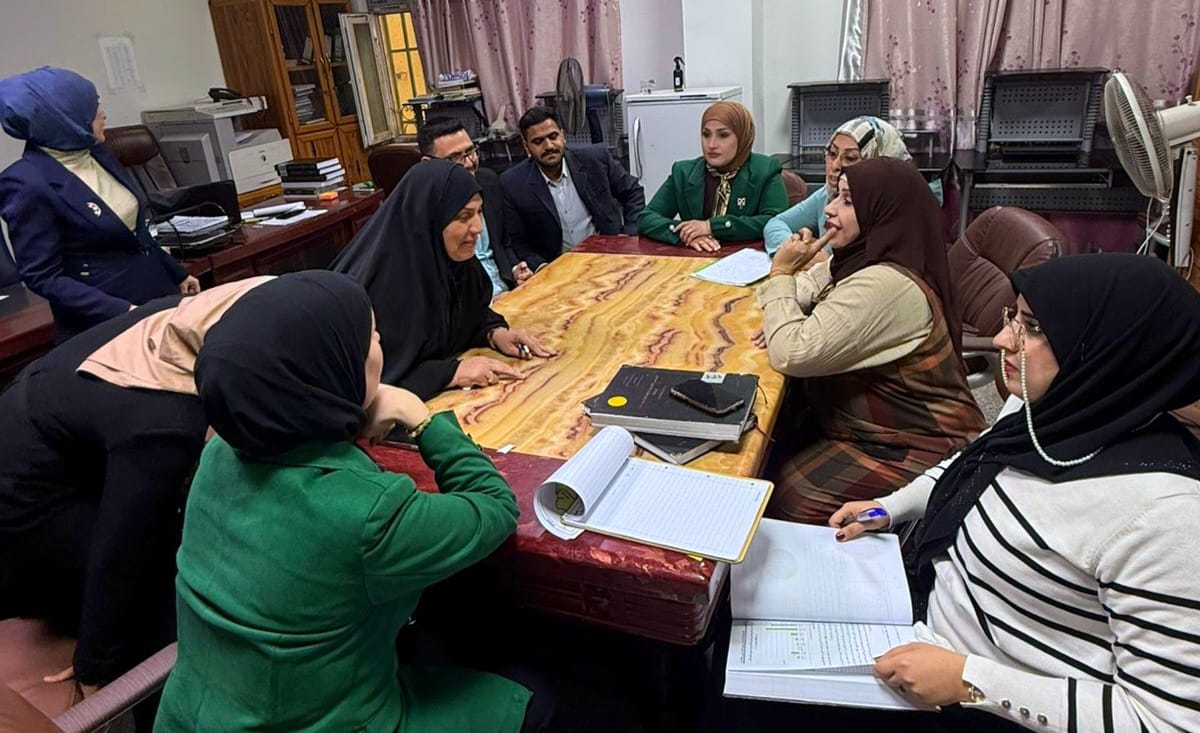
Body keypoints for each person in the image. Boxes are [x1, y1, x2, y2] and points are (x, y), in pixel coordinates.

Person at [154, 271, 548, 733]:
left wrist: (349, 424)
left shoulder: (219, 454)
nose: (380, 343)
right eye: (371, 338)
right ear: (332, 367)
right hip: (320, 722)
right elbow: (495, 508)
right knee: (536, 696)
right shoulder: (367, 513)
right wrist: (420, 418)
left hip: (196, 716)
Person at [829, 254, 1200, 733]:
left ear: (1109, 350)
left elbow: (1167, 721)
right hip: (923, 639)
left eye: (1034, 328)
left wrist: (970, 681)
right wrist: (890, 507)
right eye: (1014, 318)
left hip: (979, 706)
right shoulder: (1052, 410)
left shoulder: (1165, 517)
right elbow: (973, 466)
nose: (1003, 339)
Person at [0, 276, 271, 695]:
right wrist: (95, 667)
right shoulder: (164, 423)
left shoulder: (222, 316)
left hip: (77, 442)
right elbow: (123, 546)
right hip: (26, 497)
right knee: (169, 609)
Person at [758, 157, 985, 524]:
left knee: (783, 495)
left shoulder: (887, 283)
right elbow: (801, 291)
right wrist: (785, 299)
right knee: (772, 442)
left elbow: (791, 352)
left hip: (918, 443)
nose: (830, 208)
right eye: (836, 196)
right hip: (867, 425)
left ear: (883, 211)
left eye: (848, 201)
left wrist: (781, 274)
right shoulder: (861, 256)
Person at [0, 67, 199, 341]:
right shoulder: (26, 182)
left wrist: (177, 274)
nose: (103, 114)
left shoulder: (96, 152)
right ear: (64, 118)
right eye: (92, 109)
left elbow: (134, 234)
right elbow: (43, 277)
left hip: (157, 298)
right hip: (105, 323)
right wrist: (122, 311)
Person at [331, 159, 553, 399]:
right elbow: (376, 383)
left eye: (479, 212)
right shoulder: (387, 284)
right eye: (464, 216)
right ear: (430, 217)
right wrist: (451, 373)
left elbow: (466, 315)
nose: (478, 227)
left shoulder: (450, 259)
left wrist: (494, 332)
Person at [500, 106, 644, 281]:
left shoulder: (595, 159)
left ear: (563, 135)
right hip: (557, 272)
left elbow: (632, 191)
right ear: (526, 147)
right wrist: (542, 268)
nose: (549, 146)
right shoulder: (513, 182)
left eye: (553, 136)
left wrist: (629, 236)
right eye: (538, 141)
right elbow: (518, 241)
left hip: (609, 259)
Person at [762, 116, 940, 256]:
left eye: (851, 158)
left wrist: (825, 262)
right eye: (832, 153)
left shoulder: (891, 214)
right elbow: (776, 223)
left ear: (878, 165)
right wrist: (795, 250)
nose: (835, 165)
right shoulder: (828, 195)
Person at [637, 101, 787, 251]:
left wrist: (712, 227)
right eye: (706, 134)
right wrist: (687, 233)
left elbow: (776, 221)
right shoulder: (683, 173)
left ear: (742, 137)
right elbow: (646, 218)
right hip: (696, 258)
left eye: (723, 135)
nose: (712, 144)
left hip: (747, 258)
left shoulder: (765, 170)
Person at [417, 117, 520, 294]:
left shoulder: (488, 181)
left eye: (470, 151)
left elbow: (504, 243)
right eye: (454, 158)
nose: (470, 163)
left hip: (508, 289)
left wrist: (515, 270)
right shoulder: (422, 210)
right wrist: (486, 302)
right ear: (428, 164)